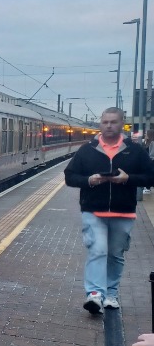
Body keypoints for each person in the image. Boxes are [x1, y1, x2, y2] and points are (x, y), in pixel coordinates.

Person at [63, 107, 154, 314]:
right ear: (100, 124)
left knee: (115, 254)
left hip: (123, 212)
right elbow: (70, 177)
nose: (109, 126)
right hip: (93, 211)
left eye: (113, 122)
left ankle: (111, 293)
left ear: (122, 124)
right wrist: (89, 180)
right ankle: (94, 295)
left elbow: (151, 176)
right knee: (97, 250)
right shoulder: (87, 150)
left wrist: (128, 179)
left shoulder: (135, 150)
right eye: (105, 122)